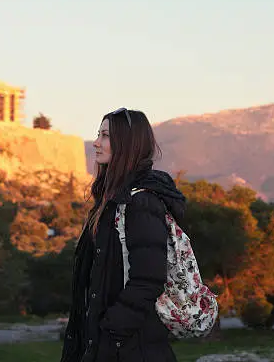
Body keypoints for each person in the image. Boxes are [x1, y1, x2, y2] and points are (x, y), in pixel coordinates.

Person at [60, 108, 186, 362]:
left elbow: (149, 279)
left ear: (126, 143)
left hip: (130, 348)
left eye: (105, 135)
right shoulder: (112, 201)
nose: (96, 142)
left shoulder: (141, 202)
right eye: (98, 134)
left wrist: (112, 330)